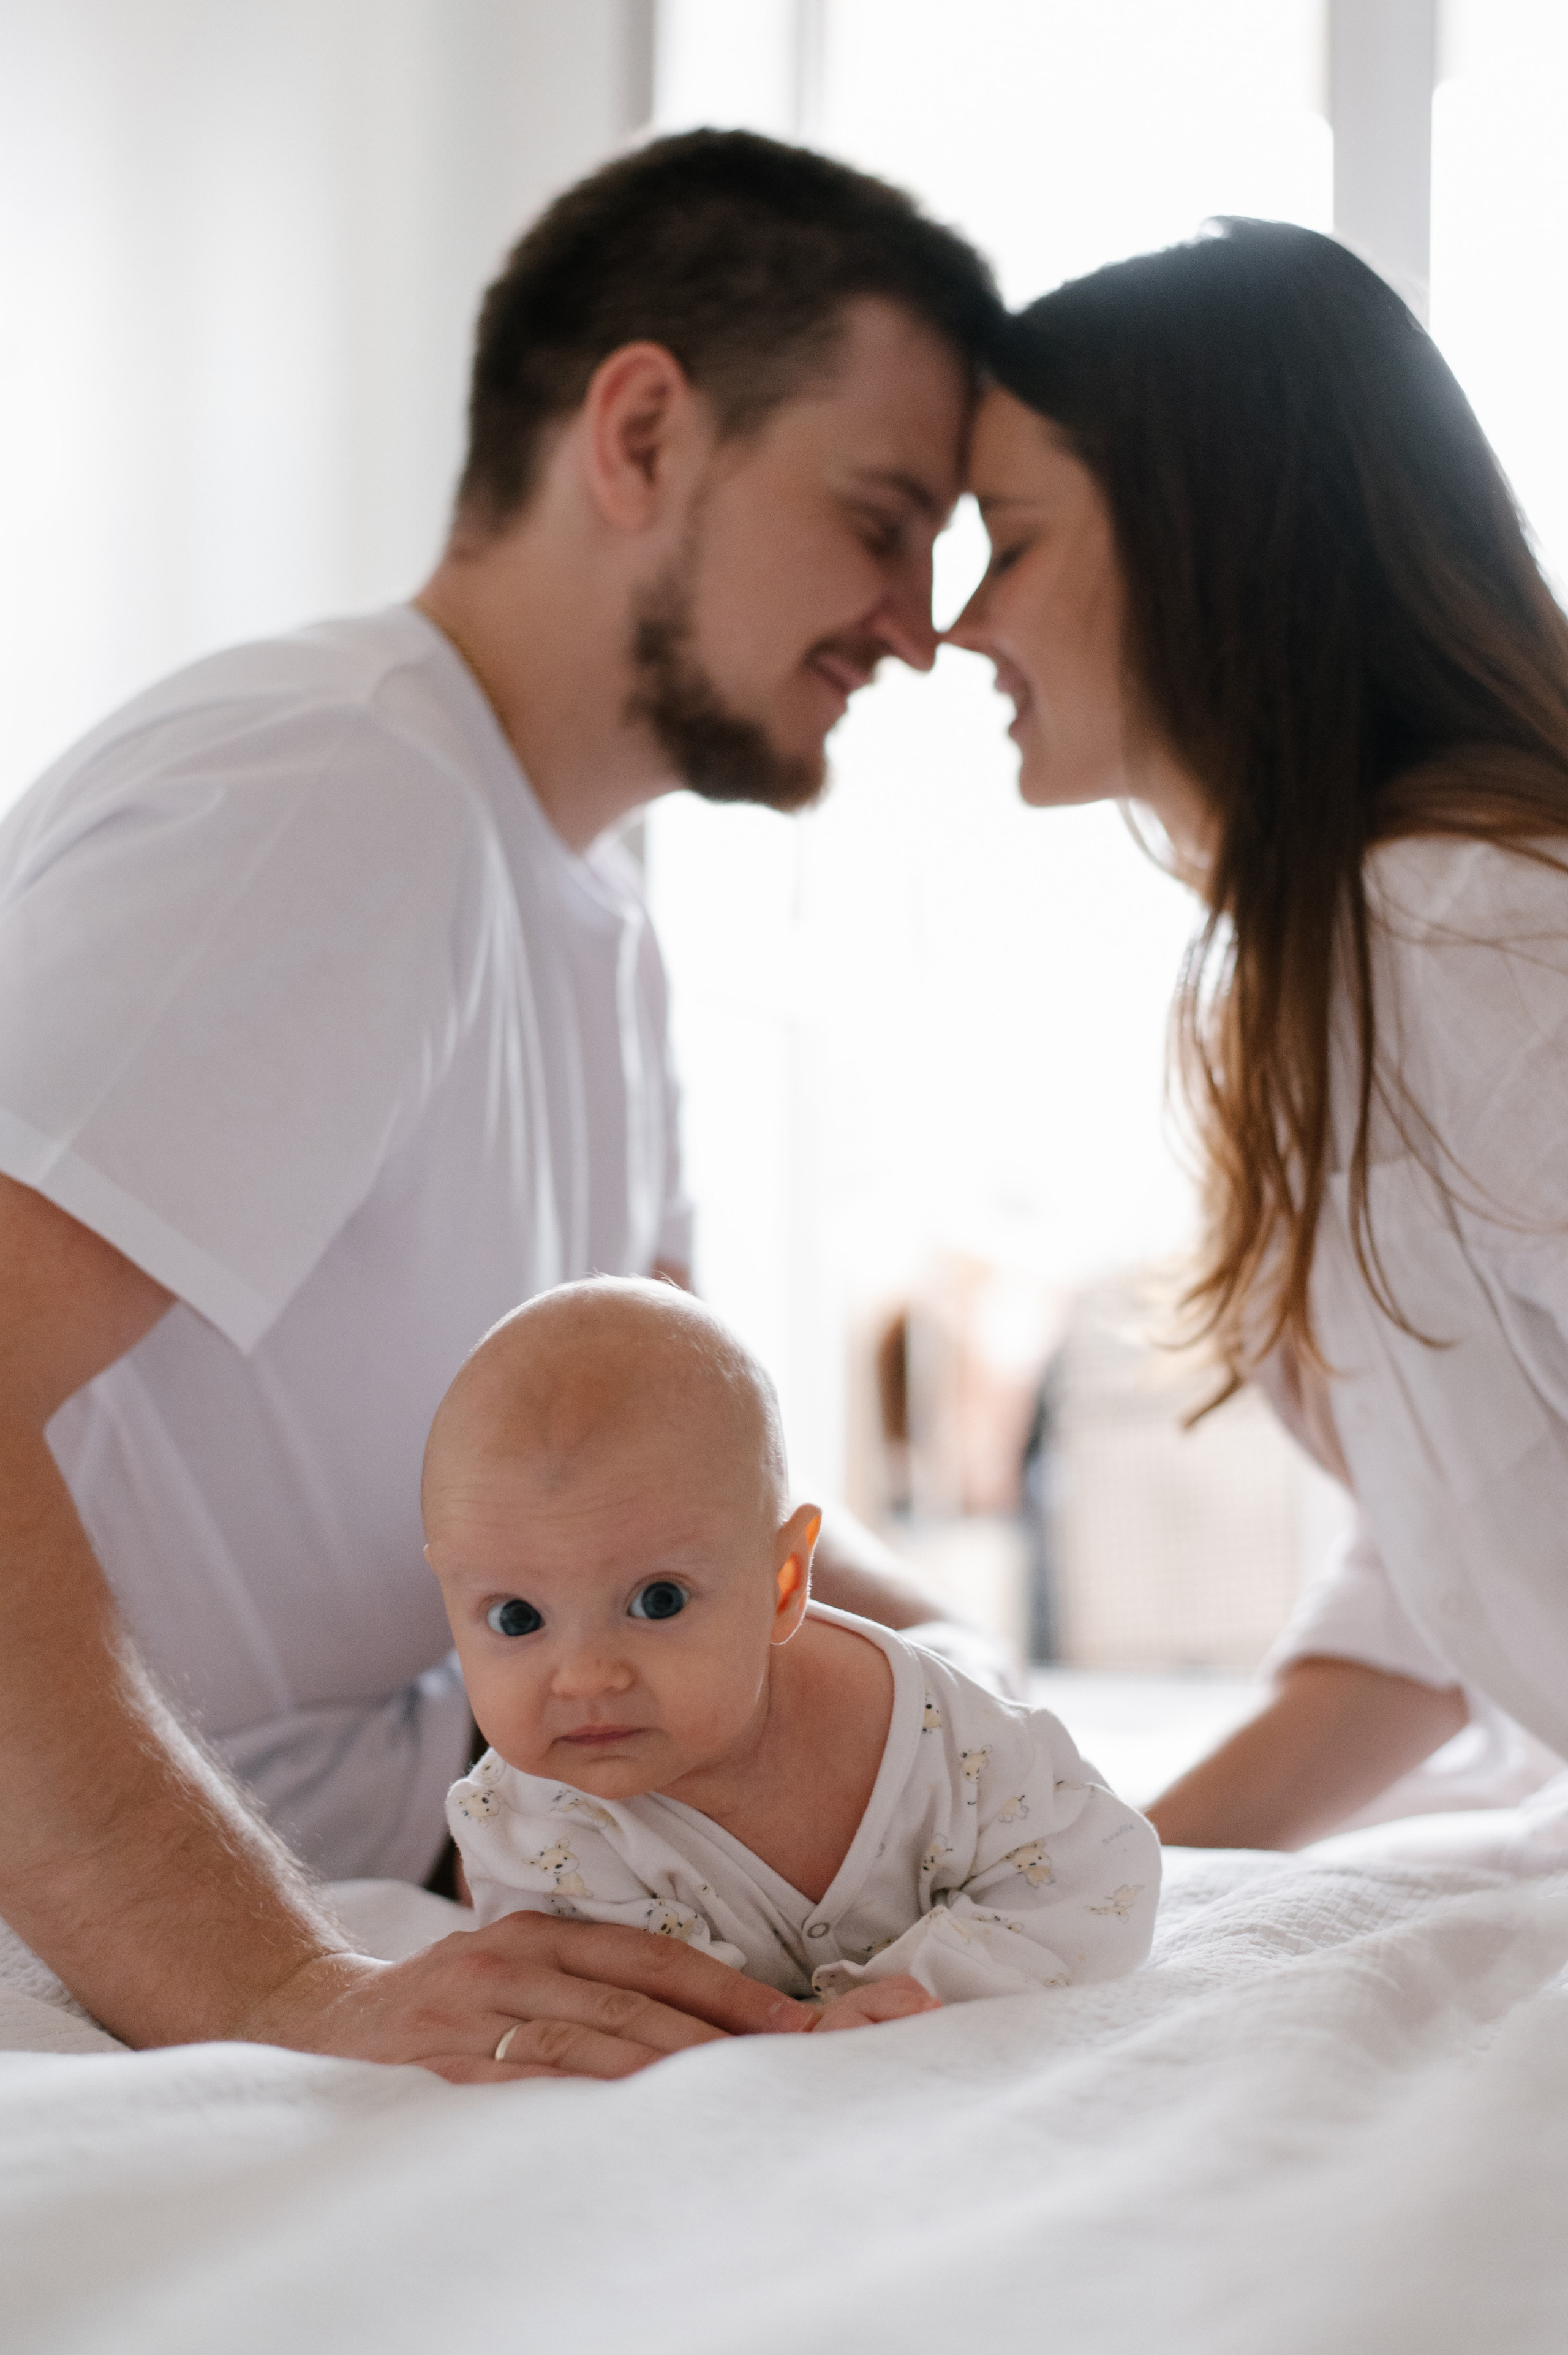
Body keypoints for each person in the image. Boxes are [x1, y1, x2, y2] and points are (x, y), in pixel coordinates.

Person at [0, 129, 1000, 2073]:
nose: (917, 621)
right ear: (639, 432)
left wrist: (981, 1711)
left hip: (429, 1843)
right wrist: (279, 1992)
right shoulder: (332, 794)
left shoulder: (593, 915)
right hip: (146, 1914)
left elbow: (676, 1491)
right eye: (880, 517)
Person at [947, 216, 1568, 1849]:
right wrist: (1049, 1920)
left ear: (1198, 540)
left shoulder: (1469, 930)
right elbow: (1441, 1587)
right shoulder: (1346, 962)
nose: (958, 625)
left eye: (1007, 541)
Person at [426, 1278, 1158, 2051]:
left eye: (659, 1600)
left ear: (783, 1583)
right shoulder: (536, 1822)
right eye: (517, 1618)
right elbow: (611, 2004)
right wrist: (772, 2025)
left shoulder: (938, 1741)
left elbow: (1099, 1877)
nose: (583, 1677)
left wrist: (912, 1991)